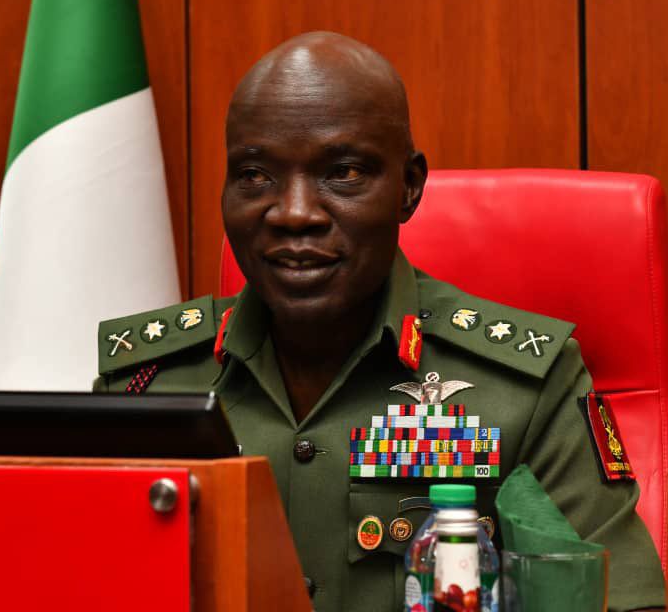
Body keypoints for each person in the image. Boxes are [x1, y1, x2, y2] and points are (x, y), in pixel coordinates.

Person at [94, 32, 665, 612]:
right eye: (254, 175)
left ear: (409, 188)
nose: (294, 213)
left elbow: (618, 600)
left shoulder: (523, 388)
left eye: (342, 172)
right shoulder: (147, 384)